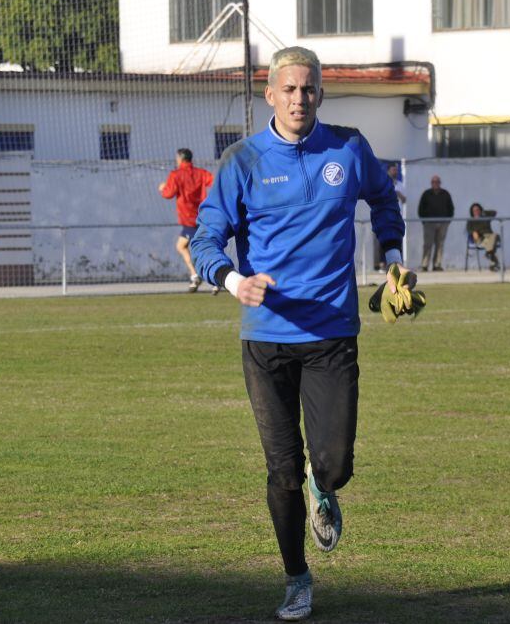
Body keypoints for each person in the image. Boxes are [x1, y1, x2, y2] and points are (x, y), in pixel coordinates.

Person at [190, 46, 408, 621]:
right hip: (266, 339)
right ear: (270, 94)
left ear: (320, 94)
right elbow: (204, 237)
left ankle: (324, 485)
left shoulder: (349, 147)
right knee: (281, 468)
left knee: (333, 464)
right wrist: (236, 281)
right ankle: (296, 578)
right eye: (288, 89)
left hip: (333, 332)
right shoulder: (242, 160)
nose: (299, 99)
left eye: (308, 89)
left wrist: (393, 257)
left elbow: (385, 201)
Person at [158, 148, 215, 293]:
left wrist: (163, 188)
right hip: (202, 215)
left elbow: (168, 194)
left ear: (180, 159)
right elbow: (214, 181)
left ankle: (211, 278)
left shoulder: (176, 175)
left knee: (201, 249)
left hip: (190, 219)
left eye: (177, 158)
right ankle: (196, 275)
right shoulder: (201, 173)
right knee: (182, 245)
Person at [373, 162, 406, 271]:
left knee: (396, 241)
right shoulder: (382, 182)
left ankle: (396, 265)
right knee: (383, 242)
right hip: (384, 216)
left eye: (396, 170)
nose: (395, 172)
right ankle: (382, 264)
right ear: (388, 171)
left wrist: (398, 194)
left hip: (397, 215)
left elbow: (404, 200)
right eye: (393, 170)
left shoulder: (400, 185)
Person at [417, 175, 454, 272]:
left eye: (437, 182)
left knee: (440, 244)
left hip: (442, 223)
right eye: (433, 182)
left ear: (440, 183)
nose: (435, 183)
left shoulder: (445, 194)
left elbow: (451, 208)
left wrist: (448, 221)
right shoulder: (426, 194)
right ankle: (424, 264)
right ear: (431, 183)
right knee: (428, 244)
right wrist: (424, 221)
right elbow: (421, 208)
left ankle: (437, 265)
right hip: (429, 223)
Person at [467, 202, 501, 271]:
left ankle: (489, 255)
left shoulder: (485, 216)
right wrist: (473, 233)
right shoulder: (471, 220)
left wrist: (484, 212)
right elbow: (468, 229)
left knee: (495, 236)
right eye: (474, 210)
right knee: (492, 244)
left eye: (477, 210)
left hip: (490, 236)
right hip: (480, 238)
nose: (476, 212)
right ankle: (492, 260)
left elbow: (494, 212)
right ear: (472, 212)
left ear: (480, 210)